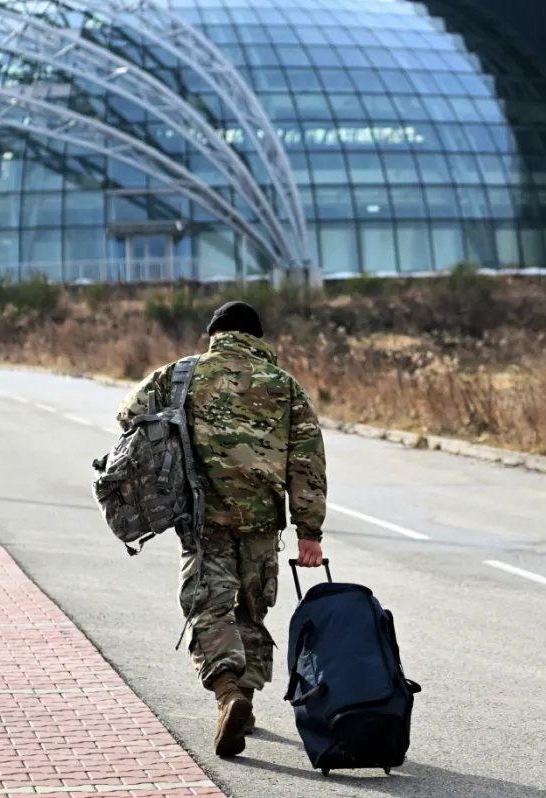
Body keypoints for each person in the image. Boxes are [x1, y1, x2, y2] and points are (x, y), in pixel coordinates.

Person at [117, 300, 327, 758]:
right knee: (251, 611)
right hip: (261, 526)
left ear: (214, 335)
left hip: (202, 518)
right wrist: (309, 532)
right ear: (257, 337)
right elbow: (307, 462)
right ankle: (246, 701)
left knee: (209, 609)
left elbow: (128, 419)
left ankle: (229, 693)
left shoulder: (178, 375)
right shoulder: (284, 385)